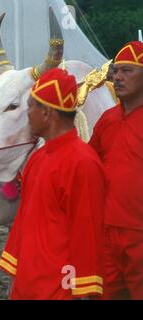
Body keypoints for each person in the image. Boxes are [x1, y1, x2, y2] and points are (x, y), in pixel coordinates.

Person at [0, 68, 106, 300]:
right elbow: (23, 221)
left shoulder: (83, 162)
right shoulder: (36, 158)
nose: (27, 113)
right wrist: (14, 276)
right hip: (27, 284)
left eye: (31, 105)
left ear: (47, 113)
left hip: (59, 291)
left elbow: (87, 236)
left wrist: (83, 293)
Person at [89, 41, 143, 300]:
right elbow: (87, 165)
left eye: (127, 71)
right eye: (116, 71)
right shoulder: (107, 119)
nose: (118, 77)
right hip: (106, 231)